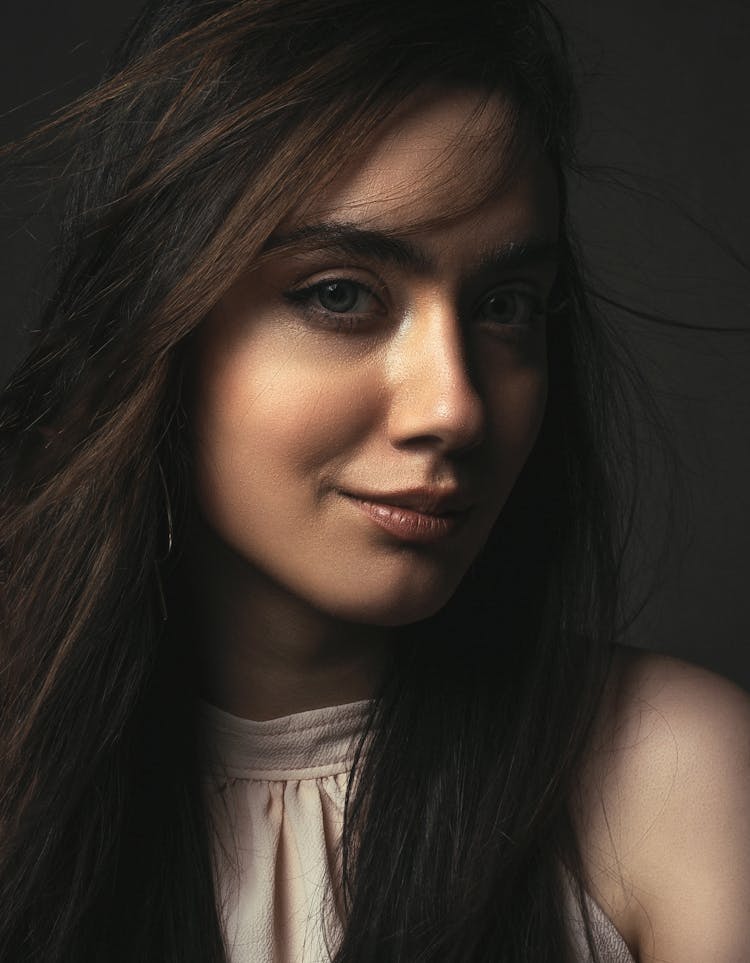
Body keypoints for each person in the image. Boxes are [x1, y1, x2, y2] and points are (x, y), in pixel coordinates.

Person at [0, 1, 748, 961]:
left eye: (504, 306)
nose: (456, 406)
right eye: (341, 294)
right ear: (163, 322)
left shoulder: (668, 778)